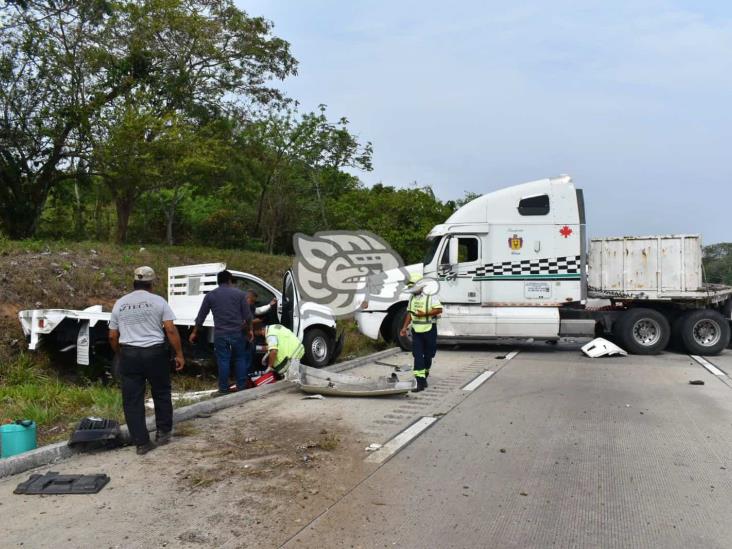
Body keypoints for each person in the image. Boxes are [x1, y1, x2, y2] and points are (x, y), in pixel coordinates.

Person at [108, 266, 185, 455]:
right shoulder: (158, 301)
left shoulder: (120, 303)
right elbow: (170, 329)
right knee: (161, 392)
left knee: (132, 400)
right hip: (155, 354)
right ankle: (163, 433)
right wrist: (179, 354)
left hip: (130, 354)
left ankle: (142, 443)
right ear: (151, 283)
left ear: (134, 282)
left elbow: (112, 335)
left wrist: (120, 353)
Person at [189, 270, 252, 394]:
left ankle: (223, 389)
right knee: (240, 359)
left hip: (220, 334)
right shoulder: (240, 294)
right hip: (237, 333)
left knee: (223, 360)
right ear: (229, 280)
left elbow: (201, 317)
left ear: (218, 281)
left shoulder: (210, 295)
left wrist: (194, 332)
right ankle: (241, 388)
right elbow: (248, 316)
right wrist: (249, 330)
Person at [399, 272, 443, 392]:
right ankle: (419, 382)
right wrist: (404, 327)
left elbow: (439, 310)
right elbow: (409, 313)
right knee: (417, 355)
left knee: (428, 356)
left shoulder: (430, 296)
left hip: (429, 329)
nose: (412, 291)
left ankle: (424, 376)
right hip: (416, 331)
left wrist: (425, 314)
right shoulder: (412, 297)